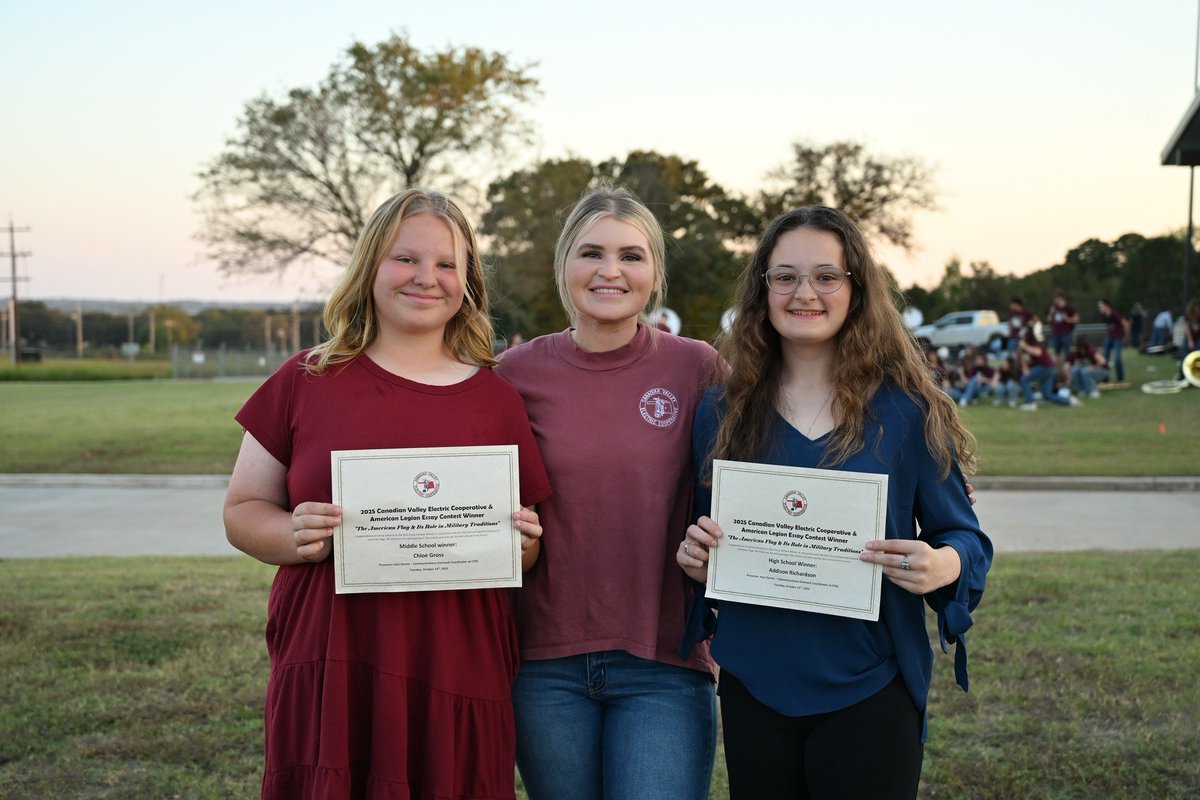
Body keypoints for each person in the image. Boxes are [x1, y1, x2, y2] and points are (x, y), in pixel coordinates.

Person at [223, 188, 552, 799]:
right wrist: (294, 536)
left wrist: (522, 544)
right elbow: (242, 511)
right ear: (370, 267)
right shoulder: (307, 378)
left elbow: (525, 546)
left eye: (448, 264)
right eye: (406, 259)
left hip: (455, 656)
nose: (427, 278)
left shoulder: (496, 398)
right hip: (336, 652)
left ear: (468, 282)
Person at [676, 206, 991, 799]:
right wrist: (698, 558)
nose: (805, 293)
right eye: (786, 276)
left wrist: (942, 564)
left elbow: (966, 538)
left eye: (826, 276)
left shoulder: (907, 412)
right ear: (762, 289)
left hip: (871, 685)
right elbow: (706, 541)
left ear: (856, 289)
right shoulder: (721, 412)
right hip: (755, 683)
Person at [496, 186, 722, 800]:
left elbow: (766, 460)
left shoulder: (698, 367)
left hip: (665, 662)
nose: (610, 270)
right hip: (544, 661)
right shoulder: (513, 374)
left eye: (632, 255)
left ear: (654, 274)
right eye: (591, 252)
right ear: (565, 264)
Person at [1019, 327, 1081, 410]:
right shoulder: (1023, 344)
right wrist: (1025, 368)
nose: (1021, 333)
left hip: (1045, 367)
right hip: (1047, 368)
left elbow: (1038, 353)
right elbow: (1022, 357)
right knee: (1047, 394)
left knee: (1024, 379)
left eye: (1023, 332)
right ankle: (1069, 401)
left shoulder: (1034, 343)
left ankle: (1030, 403)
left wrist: (1025, 346)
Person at [1097, 298, 1127, 382]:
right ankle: (1105, 378)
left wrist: (1125, 336)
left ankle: (1120, 378)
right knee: (1104, 358)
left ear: (1107, 306)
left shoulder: (1115, 314)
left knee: (1117, 358)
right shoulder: (1103, 315)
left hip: (1117, 338)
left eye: (1101, 306)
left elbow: (1125, 323)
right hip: (1109, 338)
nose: (1100, 308)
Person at [1046, 291, 1079, 359]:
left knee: (1067, 353)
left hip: (1065, 334)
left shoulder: (1069, 308)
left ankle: (1068, 366)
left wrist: (1067, 319)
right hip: (1056, 334)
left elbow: (1076, 319)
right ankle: (1057, 367)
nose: (1055, 301)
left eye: (1056, 299)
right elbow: (1048, 320)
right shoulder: (1054, 308)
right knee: (1056, 353)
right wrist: (1051, 313)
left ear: (1061, 299)